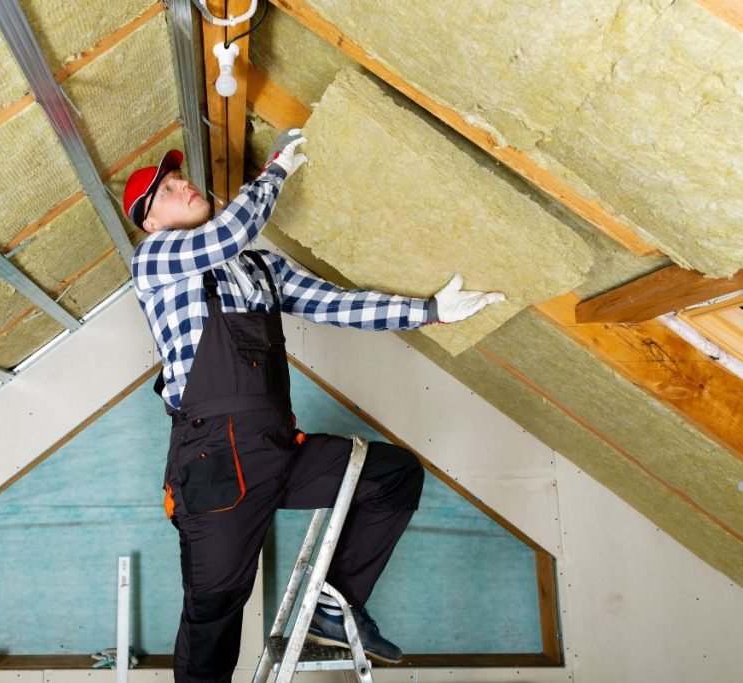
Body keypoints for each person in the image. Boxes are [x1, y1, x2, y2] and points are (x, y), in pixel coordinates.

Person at [122, 130, 504, 682]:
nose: (184, 185)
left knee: (393, 476)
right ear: (152, 222)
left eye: (181, 178)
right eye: (167, 189)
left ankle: (334, 604)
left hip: (279, 451)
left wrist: (428, 311)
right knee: (215, 611)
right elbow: (227, 233)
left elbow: (337, 305)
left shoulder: (260, 268)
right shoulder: (154, 259)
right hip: (214, 464)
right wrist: (273, 173)